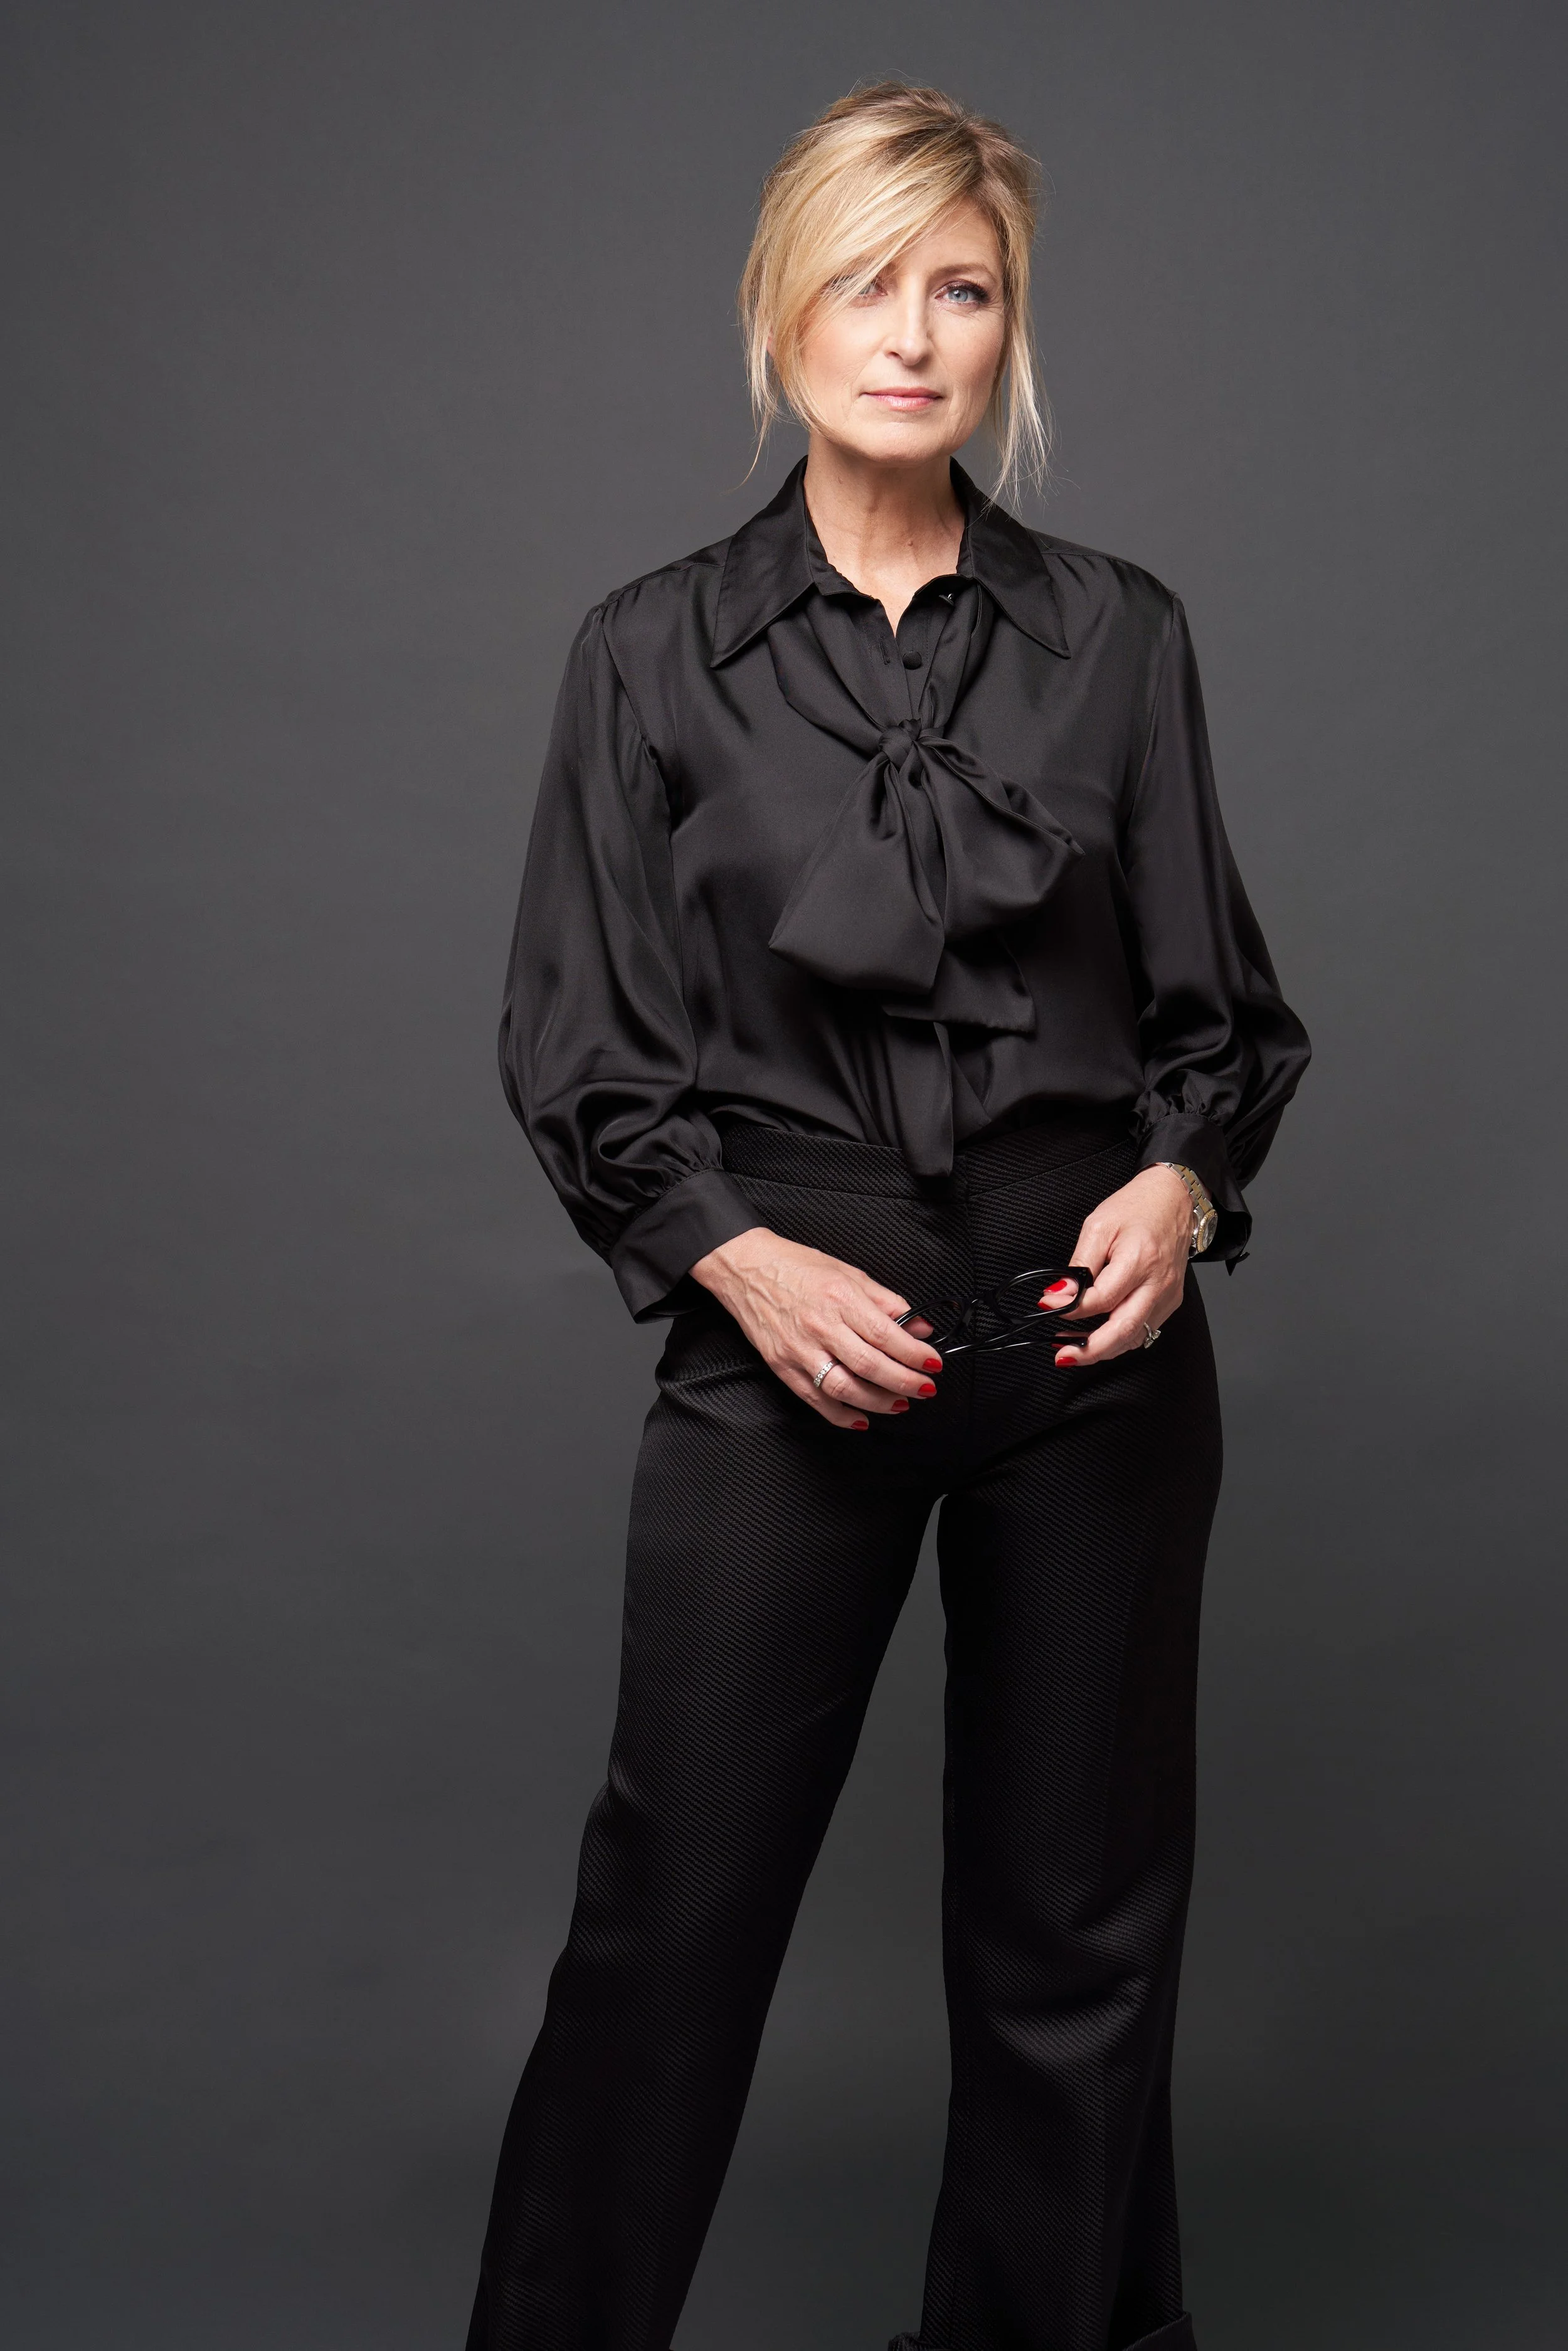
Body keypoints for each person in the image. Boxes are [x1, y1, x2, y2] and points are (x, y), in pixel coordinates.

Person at [465, 80, 1310, 2351]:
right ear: (781, 314)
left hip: (1087, 1328)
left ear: (1008, 327)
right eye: (866, 282)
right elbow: (581, 1046)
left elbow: (1219, 1014)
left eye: (963, 288)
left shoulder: (1119, 633)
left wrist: (1180, 1186)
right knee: (671, 1909)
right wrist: (739, 1260)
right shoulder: (648, 649)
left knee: (1078, 1936)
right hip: (789, 1313)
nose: (914, 334)